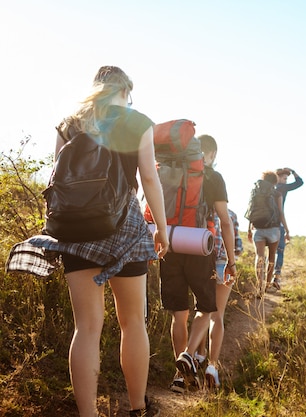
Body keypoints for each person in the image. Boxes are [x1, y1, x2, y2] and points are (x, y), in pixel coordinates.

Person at [6, 66, 169, 417]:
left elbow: (56, 181)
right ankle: (138, 409)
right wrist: (163, 231)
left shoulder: (69, 123)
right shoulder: (136, 122)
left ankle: (88, 414)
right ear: (126, 91)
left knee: (87, 327)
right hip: (124, 228)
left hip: (76, 231)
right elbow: (150, 180)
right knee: (132, 323)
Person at [161, 134, 237, 393]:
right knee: (206, 308)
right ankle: (188, 354)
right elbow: (225, 222)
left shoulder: (171, 171)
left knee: (179, 314)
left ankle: (179, 377)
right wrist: (231, 260)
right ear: (212, 154)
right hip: (199, 245)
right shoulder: (213, 177)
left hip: (171, 244)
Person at [195, 208, 243, 388]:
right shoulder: (230, 214)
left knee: (201, 309)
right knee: (217, 315)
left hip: (200, 264)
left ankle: (199, 354)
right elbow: (237, 248)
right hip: (223, 263)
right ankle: (212, 366)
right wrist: (231, 262)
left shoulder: (200, 211)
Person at [247, 171, 289, 296]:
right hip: (274, 229)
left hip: (258, 228)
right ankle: (266, 285)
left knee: (259, 257)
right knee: (271, 258)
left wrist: (249, 229)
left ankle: (259, 286)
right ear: (275, 182)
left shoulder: (255, 192)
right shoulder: (277, 194)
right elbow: (280, 213)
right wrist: (287, 230)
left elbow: (250, 211)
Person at [273, 167, 303, 287]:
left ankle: (264, 278)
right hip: (278, 224)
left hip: (266, 224)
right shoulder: (282, 188)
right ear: (278, 178)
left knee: (269, 252)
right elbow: (300, 183)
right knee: (279, 251)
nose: (285, 181)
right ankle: (276, 277)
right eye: (285, 178)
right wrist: (293, 170)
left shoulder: (269, 189)